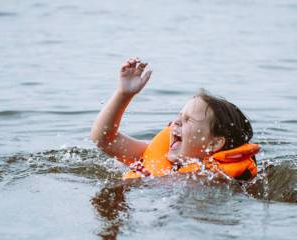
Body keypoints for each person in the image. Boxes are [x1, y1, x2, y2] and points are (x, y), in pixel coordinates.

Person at [90, 57, 260, 181]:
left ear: (213, 144)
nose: (176, 123)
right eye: (178, 117)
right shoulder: (156, 155)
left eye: (188, 120)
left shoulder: (217, 178)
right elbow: (104, 139)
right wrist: (124, 94)